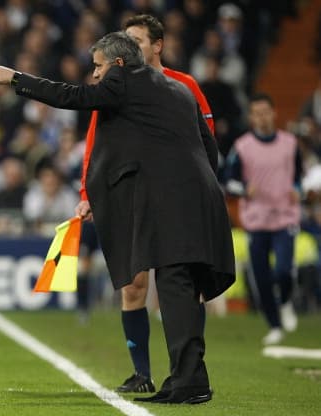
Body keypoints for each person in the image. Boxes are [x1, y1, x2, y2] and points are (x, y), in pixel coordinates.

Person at [0, 30, 235, 404]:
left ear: (116, 64)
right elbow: (208, 146)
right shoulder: (177, 90)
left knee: (175, 284)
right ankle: (189, 378)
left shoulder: (124, 80)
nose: (94, 75)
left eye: (97, 66)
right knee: (183, 288)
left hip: (174, 200)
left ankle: (190, 383)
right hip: (198, 197)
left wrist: (15, 78)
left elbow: (73, 97)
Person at [77, 14, 217, 394]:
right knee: (134, 283)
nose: (132, 46)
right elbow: (97, 139)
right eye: (128, 40)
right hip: (133, 195)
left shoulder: (184, 85)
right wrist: (87, 192)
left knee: (181, 284)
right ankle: (143, 373)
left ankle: (187, 371)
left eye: (139, 40)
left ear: (158, 45)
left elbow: (204, 139)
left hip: (173, 196)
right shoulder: (114, 85)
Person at [224, 93, 301, 345]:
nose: (262, 117)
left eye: (265, 112)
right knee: (262, 276)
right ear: (251, 117)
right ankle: (275, 325)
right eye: (256, 113)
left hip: (284, 217)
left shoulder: (290, 143)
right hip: (256, 220)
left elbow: (299, 176)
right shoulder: (242, 146)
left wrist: (297, 190)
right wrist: (245, 189)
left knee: (283, 269)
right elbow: (229, 182)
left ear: (274, 112)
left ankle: (287, 300)